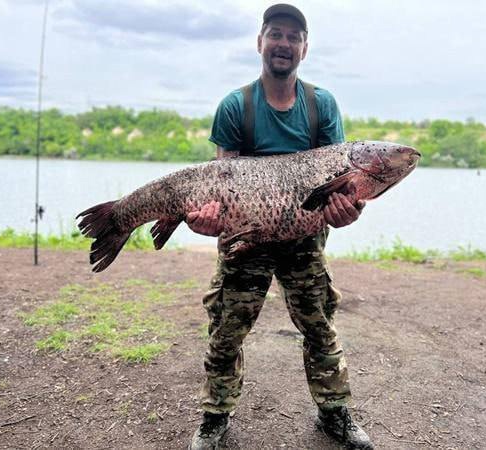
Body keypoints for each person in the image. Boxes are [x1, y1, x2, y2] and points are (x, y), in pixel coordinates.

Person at [186, 4, 373, 449]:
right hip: (246, 237)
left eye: (293, 37)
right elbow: (220, 183)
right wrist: (204, 220)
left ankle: (335, 412)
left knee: (319, 326)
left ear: (304, 48)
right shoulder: (235, 106)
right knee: (227, 327)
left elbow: (337, 184)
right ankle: (214, 416)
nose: (283, 44)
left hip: (304, 236)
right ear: (260, 43)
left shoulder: (321, 105)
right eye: (276, 34)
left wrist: (348, 211)